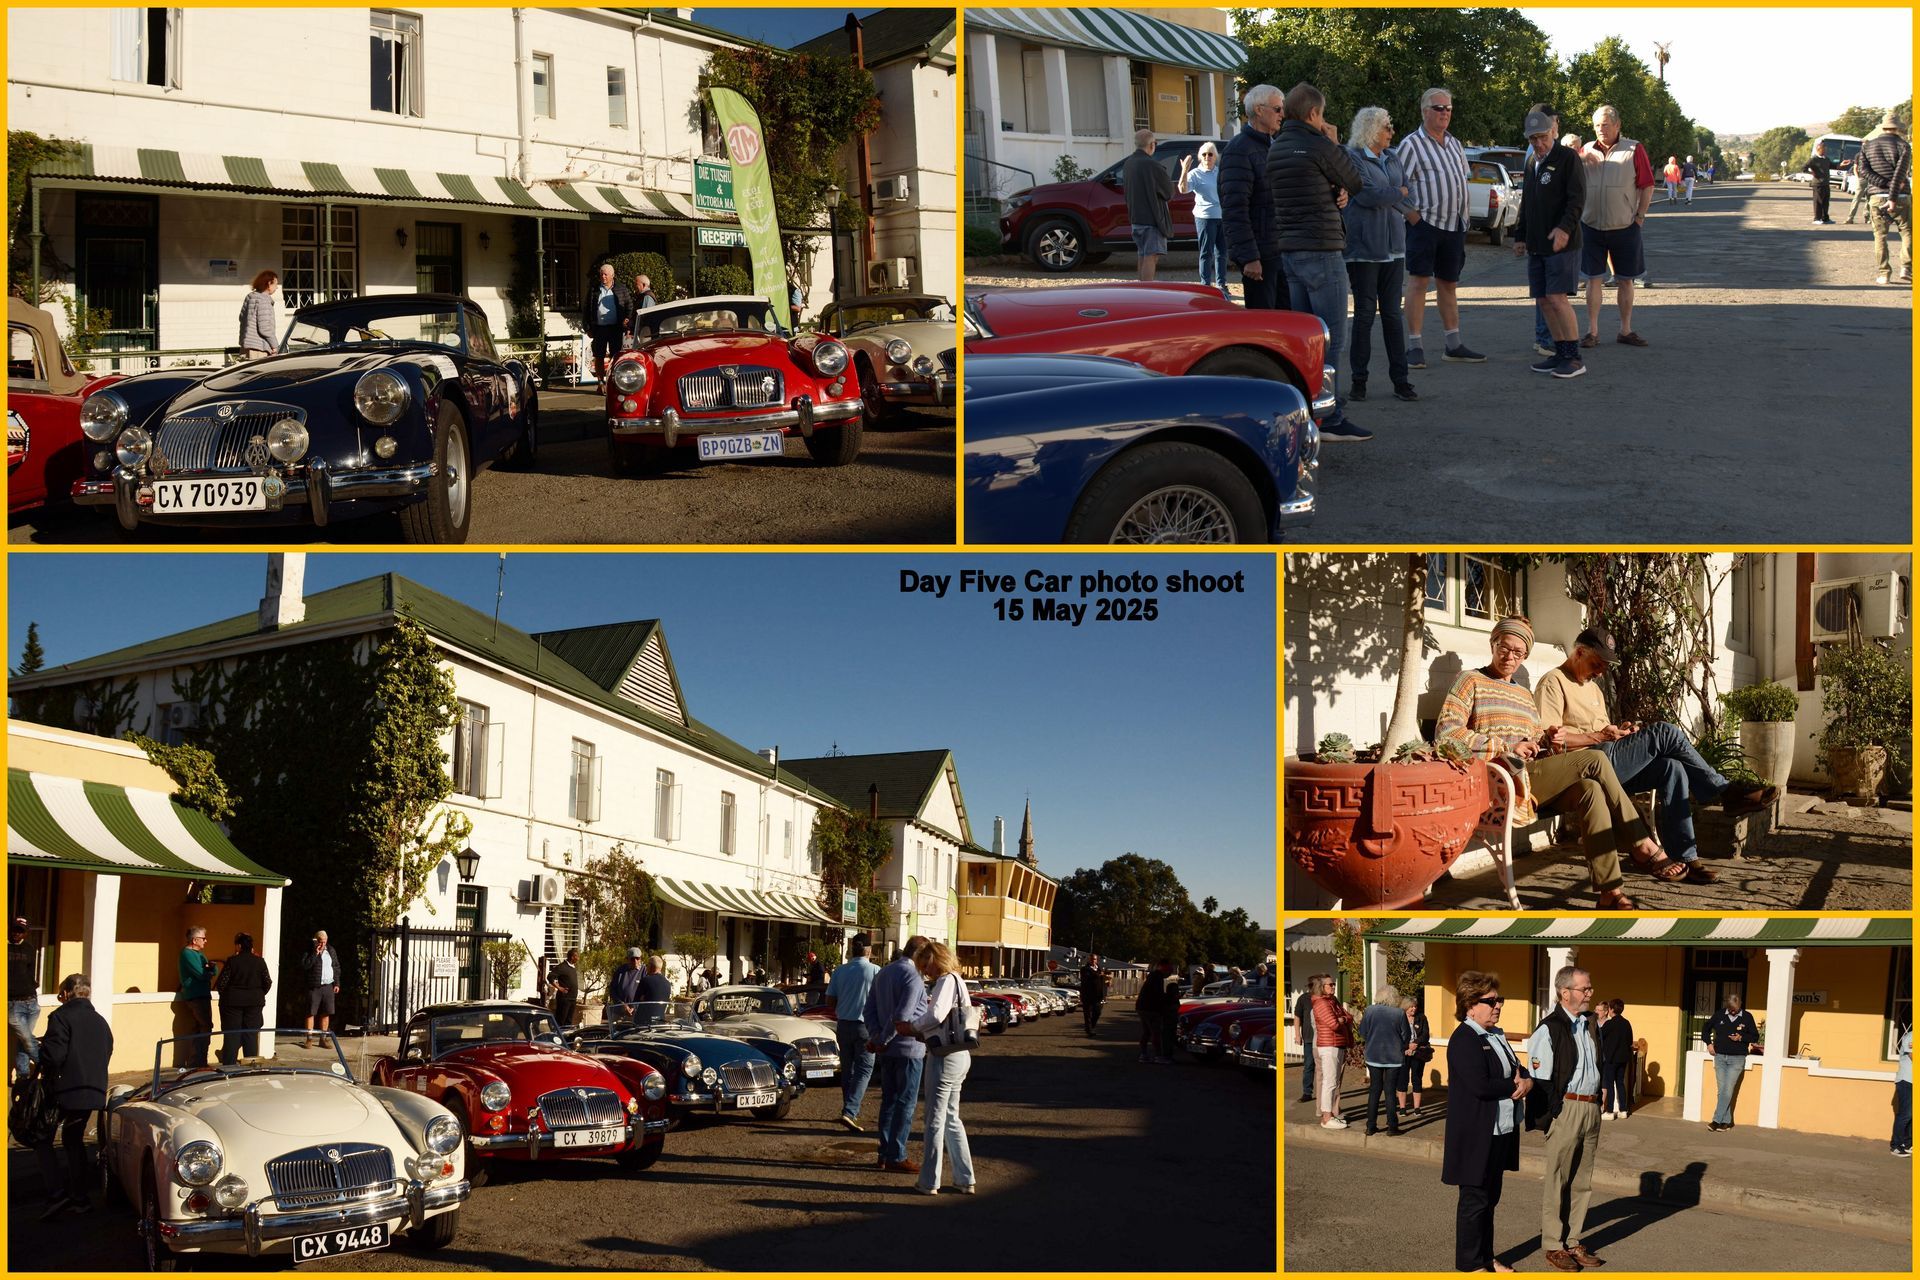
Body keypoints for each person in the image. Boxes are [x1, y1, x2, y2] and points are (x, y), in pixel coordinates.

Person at [1436, 615, 1674, 910]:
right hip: (1501, 778)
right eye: (1504, 648)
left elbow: (1536, 737)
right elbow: (1447, 733)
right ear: (1493, 643)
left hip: (1533, 775)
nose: (1510, 657)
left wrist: (1549, 737)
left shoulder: (1523, 693)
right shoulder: (1469, 680)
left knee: (1590, 789)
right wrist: (1506, 746)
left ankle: (1609, 891)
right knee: (1595, 758)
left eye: (1518, 652)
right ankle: (1641, 843)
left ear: (1525, 656)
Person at [1536, 626, 1778, 885]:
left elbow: (1602, 732)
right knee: (1665, 732)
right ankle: (1725, 791)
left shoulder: (1594, 689)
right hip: (1582, 769)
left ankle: (1685, 857)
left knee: (1672, 768)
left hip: (1608, 763)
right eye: (1597, 663)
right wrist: (1598, 737)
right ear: (1579, 652)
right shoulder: (1554, 681)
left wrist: (1620, 733)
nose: (1601, 671)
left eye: (1605, 666)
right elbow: (1549, 741)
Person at [1269, 81, 1370, 443]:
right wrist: (1332, 140)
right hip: (1322, 250)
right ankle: (1331, 416)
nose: (1324, 120)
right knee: (1331, 339)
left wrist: (1332, 191)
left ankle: (1308, 412)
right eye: (1322, 114)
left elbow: (1309, 187)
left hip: (1291, 252)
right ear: (1313, 113)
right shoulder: (1317, 144)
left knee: (1306, 339)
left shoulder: (1277, 147)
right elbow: (1355, 180)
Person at [1442, 969, 1529, 1274]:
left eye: (1499, 999)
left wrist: (1526, 1082)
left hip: (1500, 1130)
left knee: (1490, 1200)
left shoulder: (1496, 1035)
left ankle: (1486, 1257)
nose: (1498, 1005)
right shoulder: (1465, 1038)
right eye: (1491, 1000)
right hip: (1476, 1134)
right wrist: (1513, 1085)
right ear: (1470, 1005)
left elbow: (1519, 1068)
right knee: (1474, 1201)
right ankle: (1469, 1264)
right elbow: (1480, 1085)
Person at [1526, 966, 1608, 1271]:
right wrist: (1552, 1116)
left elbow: (1597, 1062)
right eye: (1584, 989)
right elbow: (1539, 1079)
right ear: (1565, 992)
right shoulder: (1549, 1029)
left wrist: (1599, 1094)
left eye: (1589, 988)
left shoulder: (1589, 1025)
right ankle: (1553, 1243)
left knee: (1582, 1181)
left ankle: (1573, 1240)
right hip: (1567, 1108)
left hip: (1590, 1108)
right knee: (1558, 1179)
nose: (1590, 994)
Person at [1398, 86, 1486, 369]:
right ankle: (1414, 345)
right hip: (1425, 225)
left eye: (1448, 108)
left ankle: (1453, 344)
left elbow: (1461, 179)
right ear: (1425, 111)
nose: (1445, 113)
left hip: (1454, 225)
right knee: (1419, 282)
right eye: (1439, 108)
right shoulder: (1411, 144)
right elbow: (1394, 186)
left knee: (1449, 284)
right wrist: (1412, 217)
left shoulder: (1455, 144)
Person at [1343, 104, 1419, 405]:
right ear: (1372, 130)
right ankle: (1358, 381)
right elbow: (1366, 195)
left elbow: (1409, 193)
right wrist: (1396, 194)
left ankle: (1401, 381)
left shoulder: (1392, 156)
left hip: (1394, 248)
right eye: (1387, 127)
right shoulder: (1353, 157)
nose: (1392, 132)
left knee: (1391, 315)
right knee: (1364, 315)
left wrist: (1396, 195)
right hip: (1364, 250)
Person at [1511, 106, 1588, 379]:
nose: (1538, 143)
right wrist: (1520, 236)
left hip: (1562, 244)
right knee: (1543, 300)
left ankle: (1574, 357)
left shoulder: (1567, 158)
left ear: (1552, 132)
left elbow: (1577, 199)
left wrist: (1565, 229)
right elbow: (1527, 202)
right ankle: (1559, 352)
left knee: (1557, 298)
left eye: (1542, 137)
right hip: (1537, 244)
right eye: (1533, 139)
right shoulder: (1532, 162)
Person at [35, 973, 112, 1219]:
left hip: (66, 1089)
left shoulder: (60, 1016)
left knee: (41, 1137)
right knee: (73, 1140)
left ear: (67, 993)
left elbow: (54, 1057)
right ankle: (79, 1197)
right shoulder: (100, 1021)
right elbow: (108, 1050)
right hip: (93, 1089)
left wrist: (41, 1052)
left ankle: (57, 1194)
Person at [1579, 105, 1655, 350]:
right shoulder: (1586, 150)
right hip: (1591, 225)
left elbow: (1647, 184)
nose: (1601, 129)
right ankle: (1592, 331)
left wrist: (1640, 216)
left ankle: (1625, 330)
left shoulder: (1634, 149)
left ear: (1617, 125)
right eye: (1597, 125)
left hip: (1625, 226)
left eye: (1605, 124)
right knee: (1593, 280)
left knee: (1625, 280)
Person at [910, 940, 976, 1195]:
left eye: (925, 965)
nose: (925, 971)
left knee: (934, 1120)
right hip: (960, 1053)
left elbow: (936, 1015)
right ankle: (964, 1178)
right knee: (951, 1117)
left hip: (945, 1055)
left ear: (936, 959)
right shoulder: (958, 980)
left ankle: (929, 1181)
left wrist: (914, 1027)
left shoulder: (946, 981)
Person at [863, 935, 931, 1173]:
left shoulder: (884, 972)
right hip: (908, 1049)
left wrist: (876, 1038)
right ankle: (897, 1155)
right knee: (905, 1103)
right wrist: (882, 1039)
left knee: (889, 1102)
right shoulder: (912, 977)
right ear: (920, 954)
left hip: (888, 1050)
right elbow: (902, 1016)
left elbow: (868, 1008)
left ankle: (884, 1152)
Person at [1221, 84, 1290, 310]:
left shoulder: (1276, 146)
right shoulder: (1238, 149)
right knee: (1266, 328)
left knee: (1287, 324)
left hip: (1282, 251)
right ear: (1259, 110)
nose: (1283, 115)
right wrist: (1249, 257)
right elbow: (1234, 209)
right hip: (1260, 256)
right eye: (1278, 109)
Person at [826, 935, 881, 1131]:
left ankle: (848, 1109)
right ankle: (850, 1111)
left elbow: (830, 1001)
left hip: (843, 1024)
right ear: (868, 950)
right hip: (865, 1026)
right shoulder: (875, 971)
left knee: (847, 1069)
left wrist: (845, 1002)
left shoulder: (840, 971)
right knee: (864, 1069)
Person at [1856, 112, 1912, 285]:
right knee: (1908, 232)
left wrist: (1883, 184)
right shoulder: (1904, 146)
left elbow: (1863, 171)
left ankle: (1883, 273)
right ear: (1898, 129)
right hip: (1901, 197)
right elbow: (1900, 175)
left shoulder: (1868, 146)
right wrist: (1893, 195)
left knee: (1880, 236)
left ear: (1883, 127)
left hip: (1876, 196)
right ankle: (1906, 267)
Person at [1702, 991, 1761, 1131]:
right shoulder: (1720, 1014)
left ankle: (1716, 1120)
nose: (1733, 1012)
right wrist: (1709, 1044)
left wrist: (1741, 1038)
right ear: (1727, 1007)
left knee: (1727, 1090)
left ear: (1740, 1006)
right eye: (1730, 1010)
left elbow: (1755, 1037)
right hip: (1720, 1057)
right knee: (1722, 1090)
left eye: (1735, 1010)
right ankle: (1726, 1121)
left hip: (1737, 1058)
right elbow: (1706, 1028)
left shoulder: (1747, 1017)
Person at [1122, 128, 1174, 281]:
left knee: (1142, 255)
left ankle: (1140, 288)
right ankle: (1147, 288)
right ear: (1151, 144)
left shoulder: (1128, 163)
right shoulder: (1152, 165)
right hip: (1152, 219)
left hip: (1135, 218)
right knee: (1151, 257)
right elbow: (1168, 192)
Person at [1358, 983, 1410, 1136]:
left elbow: (1362, 1032)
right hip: (1393, 1057)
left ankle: (1370, 1125)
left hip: (1374, 1055)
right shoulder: (1399, 1013)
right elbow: (1405, 1035)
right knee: (1389, 1091)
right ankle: (1392, 1126)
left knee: (1374, 1090)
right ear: (1394, 997)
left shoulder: (1369, 1011)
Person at [1180, 142, 1228, 298]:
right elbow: (1183, 189)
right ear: (1200, 157)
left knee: (1221, 252)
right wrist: (1184, 171)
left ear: (1215, 157)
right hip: (1205, 217)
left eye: (1211, 154)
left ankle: (1221, 284)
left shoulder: (1220, 172)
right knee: (1206, 252)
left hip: (1221, 216)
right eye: (1204, 154)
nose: (1207, 157)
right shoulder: (1195, 173)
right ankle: (1205, 285)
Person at [214, 933, 272, 1065]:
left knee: (232, 1035)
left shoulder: (233, 961)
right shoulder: (259, 961)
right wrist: (258, 994)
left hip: (233, 1002)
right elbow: (267, 982)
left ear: (239, 946)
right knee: (250, 1035)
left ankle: (229, 1066)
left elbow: (222, 983)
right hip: (254, 1002)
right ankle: (251, 1067)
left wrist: (229, 995)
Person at [580, 262, 634, 391]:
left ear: (612, 275)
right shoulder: (594, 289)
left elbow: (629, 306)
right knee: (599, 355)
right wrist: (587, 327)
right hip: (599, 328)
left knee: (615, 355)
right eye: (601, 274)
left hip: (615, 328)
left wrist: (627, 320)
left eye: (605, 274)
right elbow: (586, 309)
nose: (603, 277)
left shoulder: (621, 289)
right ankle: (600, 382)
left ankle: (614, 381)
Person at [1312, 976, 1354, 1128]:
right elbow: (1334, 1024)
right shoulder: (1321, 1003)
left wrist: (1342, 1018)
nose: (1333, 986)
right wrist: (1342, 1019)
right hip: (1329, 1045)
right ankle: (1326, 1117)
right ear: (1322, 987)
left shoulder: (1332, 1001)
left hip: (1337, 1044)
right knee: (1329, 1082)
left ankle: (1330, 1115)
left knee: (1333, 1082)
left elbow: (1348, 1016)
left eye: (1334, 984)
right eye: (1330, 984)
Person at [175, 926, 217, 1069]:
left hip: (203, 994)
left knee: (202, 1026)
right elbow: (201, 974)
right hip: (196, 995)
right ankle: (198, 1061)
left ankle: (198, 1060)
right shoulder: (187, 954)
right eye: (203, 938)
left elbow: (213, 970)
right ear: (195, 940)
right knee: (205, 1026)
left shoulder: (200, 954)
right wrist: (208, 972)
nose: (206, 941)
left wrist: (209, 970)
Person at [9, 917, 40, 1094]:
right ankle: (47, 1065)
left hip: (31, 1002)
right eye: (14, 929)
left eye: (20, 930)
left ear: (26, 932)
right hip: (12, 1004)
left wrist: (32, 987)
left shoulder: (29, 949)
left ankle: (22, 1077)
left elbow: (31, 971)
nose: (16, 933)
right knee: (27, 1039)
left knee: (23, 1040)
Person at [299, 930, 341, 1048]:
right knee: (311, 1012)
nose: (322, 944)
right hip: (314, 985)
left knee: (326, 1012)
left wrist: (337, 983)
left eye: (324, 942)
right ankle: (309, 1038)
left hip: (328, 985)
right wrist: (315, 954)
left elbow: (336, 966)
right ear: (316, 940)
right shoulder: (310, 950)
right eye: (320, 942)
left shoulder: (331, 950)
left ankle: (323, 1038)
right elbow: (305, 966)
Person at [1400, 995, 1433, 1116]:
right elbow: (1397, 1035)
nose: (1413, 1009)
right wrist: (1406, 1047)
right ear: (1405, 1007)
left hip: (1418, 1052)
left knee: (1417, 1078)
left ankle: (1417, 1108)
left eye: (1415, 1006)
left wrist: (1415, 1044)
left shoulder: (1421, 1017)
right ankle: (1402, 1108)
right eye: (1411, 1007)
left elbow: (1425, 1035)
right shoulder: (1400, 1017)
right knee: (1402, 1080)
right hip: (1403, 1053)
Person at [238, 270, 279, 359]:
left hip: (246, 346)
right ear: (269, 284)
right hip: (259, 348)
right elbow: (264, 327)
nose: (277, 287)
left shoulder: (250, 297)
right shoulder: (264, 300)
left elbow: (241, 318)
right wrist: (274, 345)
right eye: (276, 284)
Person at [1294, 974, 1320, 1103]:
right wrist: (1297, 1035)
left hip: (1323, 1039)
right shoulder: (1303, 999)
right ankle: (1307, 1092)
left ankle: (1323, 1093)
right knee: (1309, 1065)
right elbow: (1297, 1017)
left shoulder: (1324, 998)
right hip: (1309, 1038)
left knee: (1323, 1068)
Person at [608, 947, 646, 1018]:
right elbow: (612, 990)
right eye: (632, 959)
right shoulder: (620, 971)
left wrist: (634, 1007)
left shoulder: (644, 971)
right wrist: (622, 1005)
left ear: (640, 959)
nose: (635, 961)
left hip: (637, 1013)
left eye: (637, 958)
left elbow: (646, 992)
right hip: (620, 1011)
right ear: (627, 959)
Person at [1892, 1022, 1912, 1157]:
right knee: (1905, 1114)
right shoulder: (1913, 1036)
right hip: (1907, 1081)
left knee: (1912, 1115)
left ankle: (1908, 1144)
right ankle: (1896, 1146)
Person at [547, 948, 580, 1026]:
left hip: (572, 998)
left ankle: (566, 1037)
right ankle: (558, 1036)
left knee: (569, 1021)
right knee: (561, 1020)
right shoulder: (562, 967)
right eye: (577, 956)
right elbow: (550, 977)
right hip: (564, 999)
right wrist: (559, 988)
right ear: (572, 957)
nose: (578, 958)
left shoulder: (572, 967)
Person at [1078, 953, 1106, 1036]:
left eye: (1095, 959)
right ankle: (1089, 1030)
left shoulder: (1099, 968)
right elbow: (1088, 978)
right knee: (1088, 1014)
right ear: (1089, 960)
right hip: (1088, 995)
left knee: (1097, 1012)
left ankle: (1090, 1026)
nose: (1093, 961)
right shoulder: (1084, 969)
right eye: (1092, 959)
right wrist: (1099, 975)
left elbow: (1103, 980)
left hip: (1098, 996)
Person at [1808, 141, 1836, 225]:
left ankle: (1825, 219)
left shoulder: (1826, 159)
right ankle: (1817, 218)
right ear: (1818, 149)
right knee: (1818, 202)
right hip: (1818, 184)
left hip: (1826, 183)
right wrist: (1812, 173)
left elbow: (1833, 166)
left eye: (1825, 149)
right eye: (1823, 149)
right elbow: (1804, 167)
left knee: (1825, 202)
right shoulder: (1814, 159)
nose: (1825, 151)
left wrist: (1841, 164)